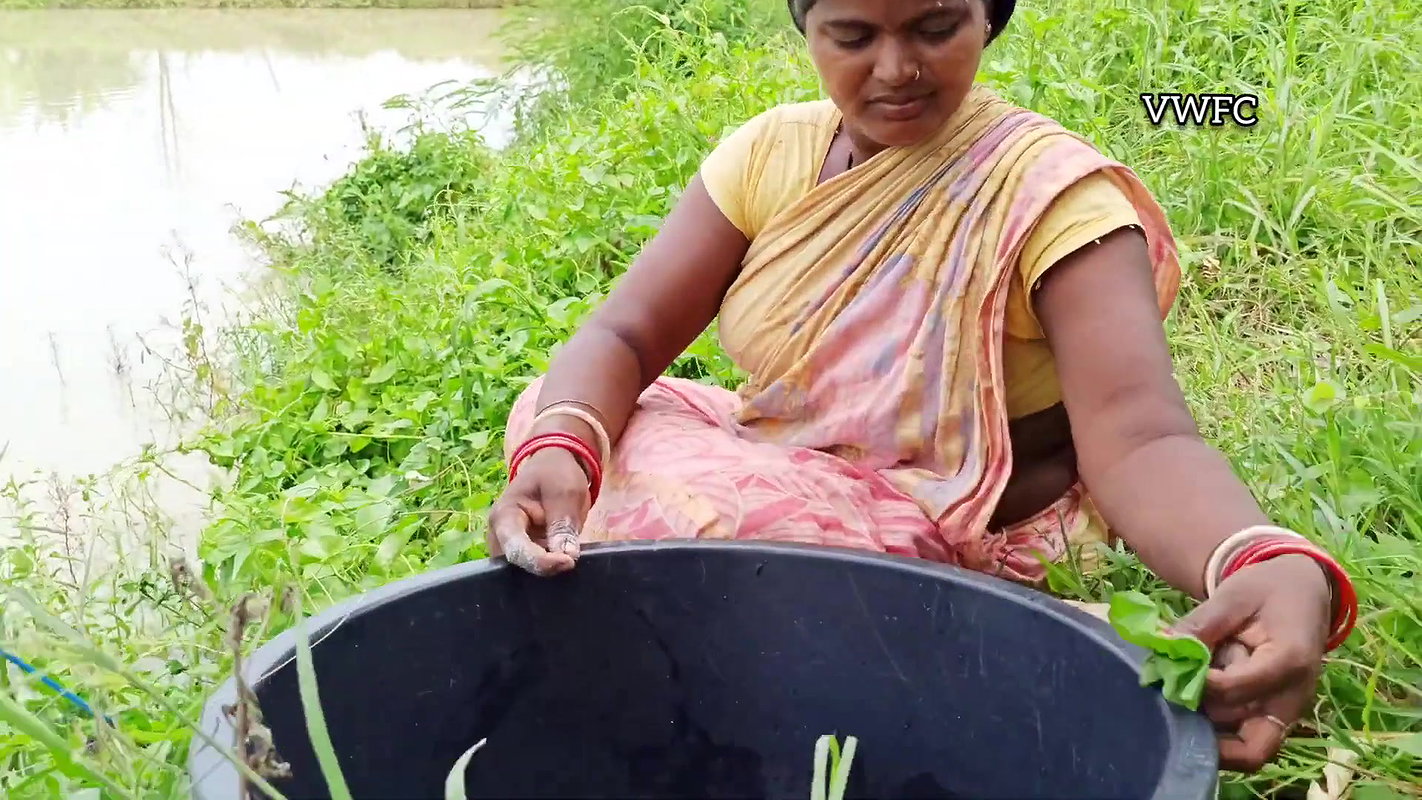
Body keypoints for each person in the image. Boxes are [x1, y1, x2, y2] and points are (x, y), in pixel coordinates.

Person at [486, 0, 1358, 775]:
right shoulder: (772, 153)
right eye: (853, 35)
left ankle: (1027, 624)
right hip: (780, 465)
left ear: (989, 18)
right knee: (560, 410)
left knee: (718, 527)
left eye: (935, 28)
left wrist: (1263, 557)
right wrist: (562, 444)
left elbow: (1140, 436)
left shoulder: (1050, 198)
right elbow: (625, 334)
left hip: (955, 528)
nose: (896, 69)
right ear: (805, 25)